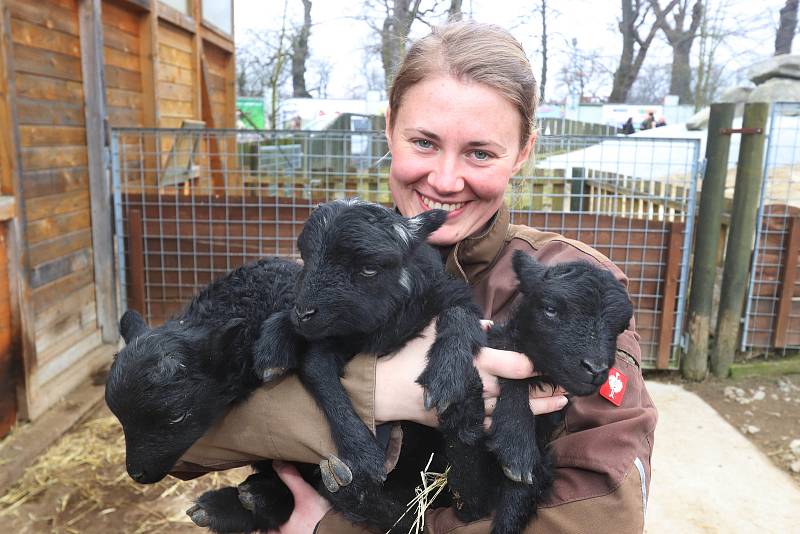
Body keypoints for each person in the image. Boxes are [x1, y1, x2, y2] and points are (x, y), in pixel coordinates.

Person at [171, 20, 657, 534]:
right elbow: (175, 434)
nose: (445, 181)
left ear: (523, 151)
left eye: (481, 152)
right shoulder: (317, 271)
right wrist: (375, 390)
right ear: (389, 129)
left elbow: (604, 514)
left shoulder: (573, 283)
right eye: (423, 142)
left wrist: (334, 529)